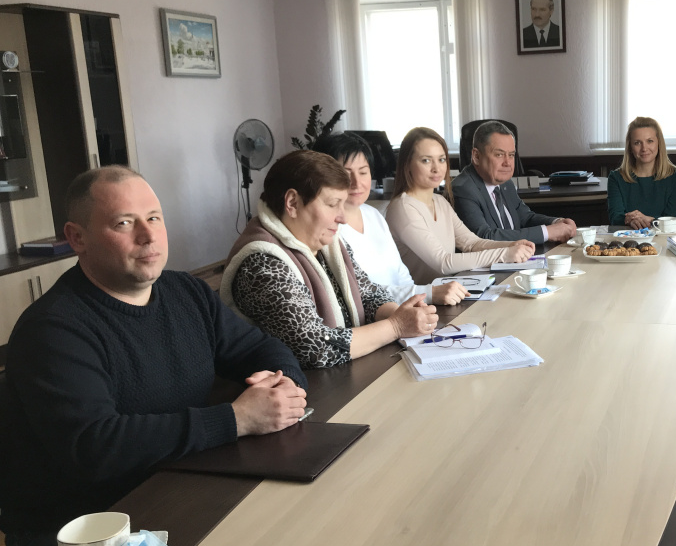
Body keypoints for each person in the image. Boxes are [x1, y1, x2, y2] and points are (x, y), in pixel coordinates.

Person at [0, 166, 309, 546]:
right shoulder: (52, 329)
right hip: (77, 533)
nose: (148, 236)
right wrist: (237, 419)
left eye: (154, 218)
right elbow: (95, 446)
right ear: (77, 238)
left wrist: (284, 385)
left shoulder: (187, 292)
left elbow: (259, 349)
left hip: (177, 481)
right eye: (124, 223)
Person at [221, 150, 438, 370]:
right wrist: (396, 326)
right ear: (293, 203)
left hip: (341, 373)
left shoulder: (328, 243)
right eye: (333, 204)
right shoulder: (262, 263)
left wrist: (406, 315)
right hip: (299, 386)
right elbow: (316, 348)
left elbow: (368, 293)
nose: (342, 218)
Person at [314, 132, 469, 306]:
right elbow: (360, 292)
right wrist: (427, 293)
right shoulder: (325, 229)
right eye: (345, 173)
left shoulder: (373, 215)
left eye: (363, 172)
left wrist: (418, 303)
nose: (357, 183)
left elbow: (401, 274)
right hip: (373, 317)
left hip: (401, 309)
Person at [386, 127, 534, 283]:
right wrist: (504, 254)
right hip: (423, 297)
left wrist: (511, 245)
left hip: (450, 290)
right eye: (426, 160)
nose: (436, 168)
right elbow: (443, 262)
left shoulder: (440, 201)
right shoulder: (403, 207)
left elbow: (471, 243)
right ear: (407, 164)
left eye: (441, 159)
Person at [452, 121, 577, 245]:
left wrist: (557, 223)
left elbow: (525, 218)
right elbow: (484, 237)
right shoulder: (463, 189)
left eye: (511, 155)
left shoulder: (506, 183)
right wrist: (547, 232)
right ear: (476, 156)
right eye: (499, 155)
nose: (507, 163)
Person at [607, 116, 676, 228]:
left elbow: (673, 219)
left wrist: (649, 220)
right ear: (630, 147)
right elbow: (615, 218)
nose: (644, 148)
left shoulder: (675, 176)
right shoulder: (616, 178)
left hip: (664, 237)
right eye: (637, 143)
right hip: (628, 236)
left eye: (650, 141)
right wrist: (629, 220)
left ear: (659, 143)